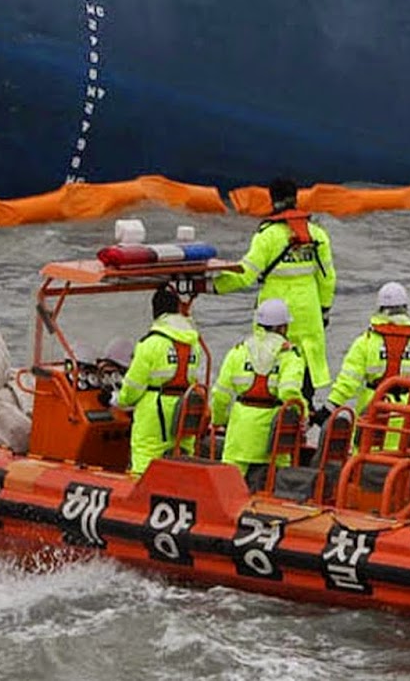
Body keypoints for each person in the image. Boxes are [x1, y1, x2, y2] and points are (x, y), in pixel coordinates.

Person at [213, 177, 336, 403]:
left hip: (275, 319)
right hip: (309, 318)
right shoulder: (316, 235)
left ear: (272, 199)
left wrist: (213, 286)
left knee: (270, 380)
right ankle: (300, 427)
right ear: (296, 197)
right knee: (302, 388)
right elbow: (328, 279)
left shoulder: (267, 236)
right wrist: (324, 310)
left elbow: (246, 274)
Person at [314, 282, 410, 445]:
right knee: (403, 457)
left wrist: (328, 408)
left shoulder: (366, 342)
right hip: (408, 414)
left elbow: (347, 383)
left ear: (380, 308)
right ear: (405, 308)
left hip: (374, 411)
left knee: (364, 459)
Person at [210, 297, 307, 484]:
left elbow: (220, 395)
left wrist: (219, 420)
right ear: (283, 327)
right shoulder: (290, 356)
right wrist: (303, 414)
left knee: (229, 485)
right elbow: (289, 394)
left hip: (240, 433)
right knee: (275, 484)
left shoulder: (238, 352)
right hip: (274, 435)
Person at [109, 286, 203, 476]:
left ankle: (140, 500)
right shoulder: (194, 343)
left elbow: (132, 389)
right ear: (178, 309)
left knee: (146, 460)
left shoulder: (149, 344)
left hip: (155, 413)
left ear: (154, 311)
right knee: (183, 459)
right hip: (184, 410)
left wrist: (114, 399)